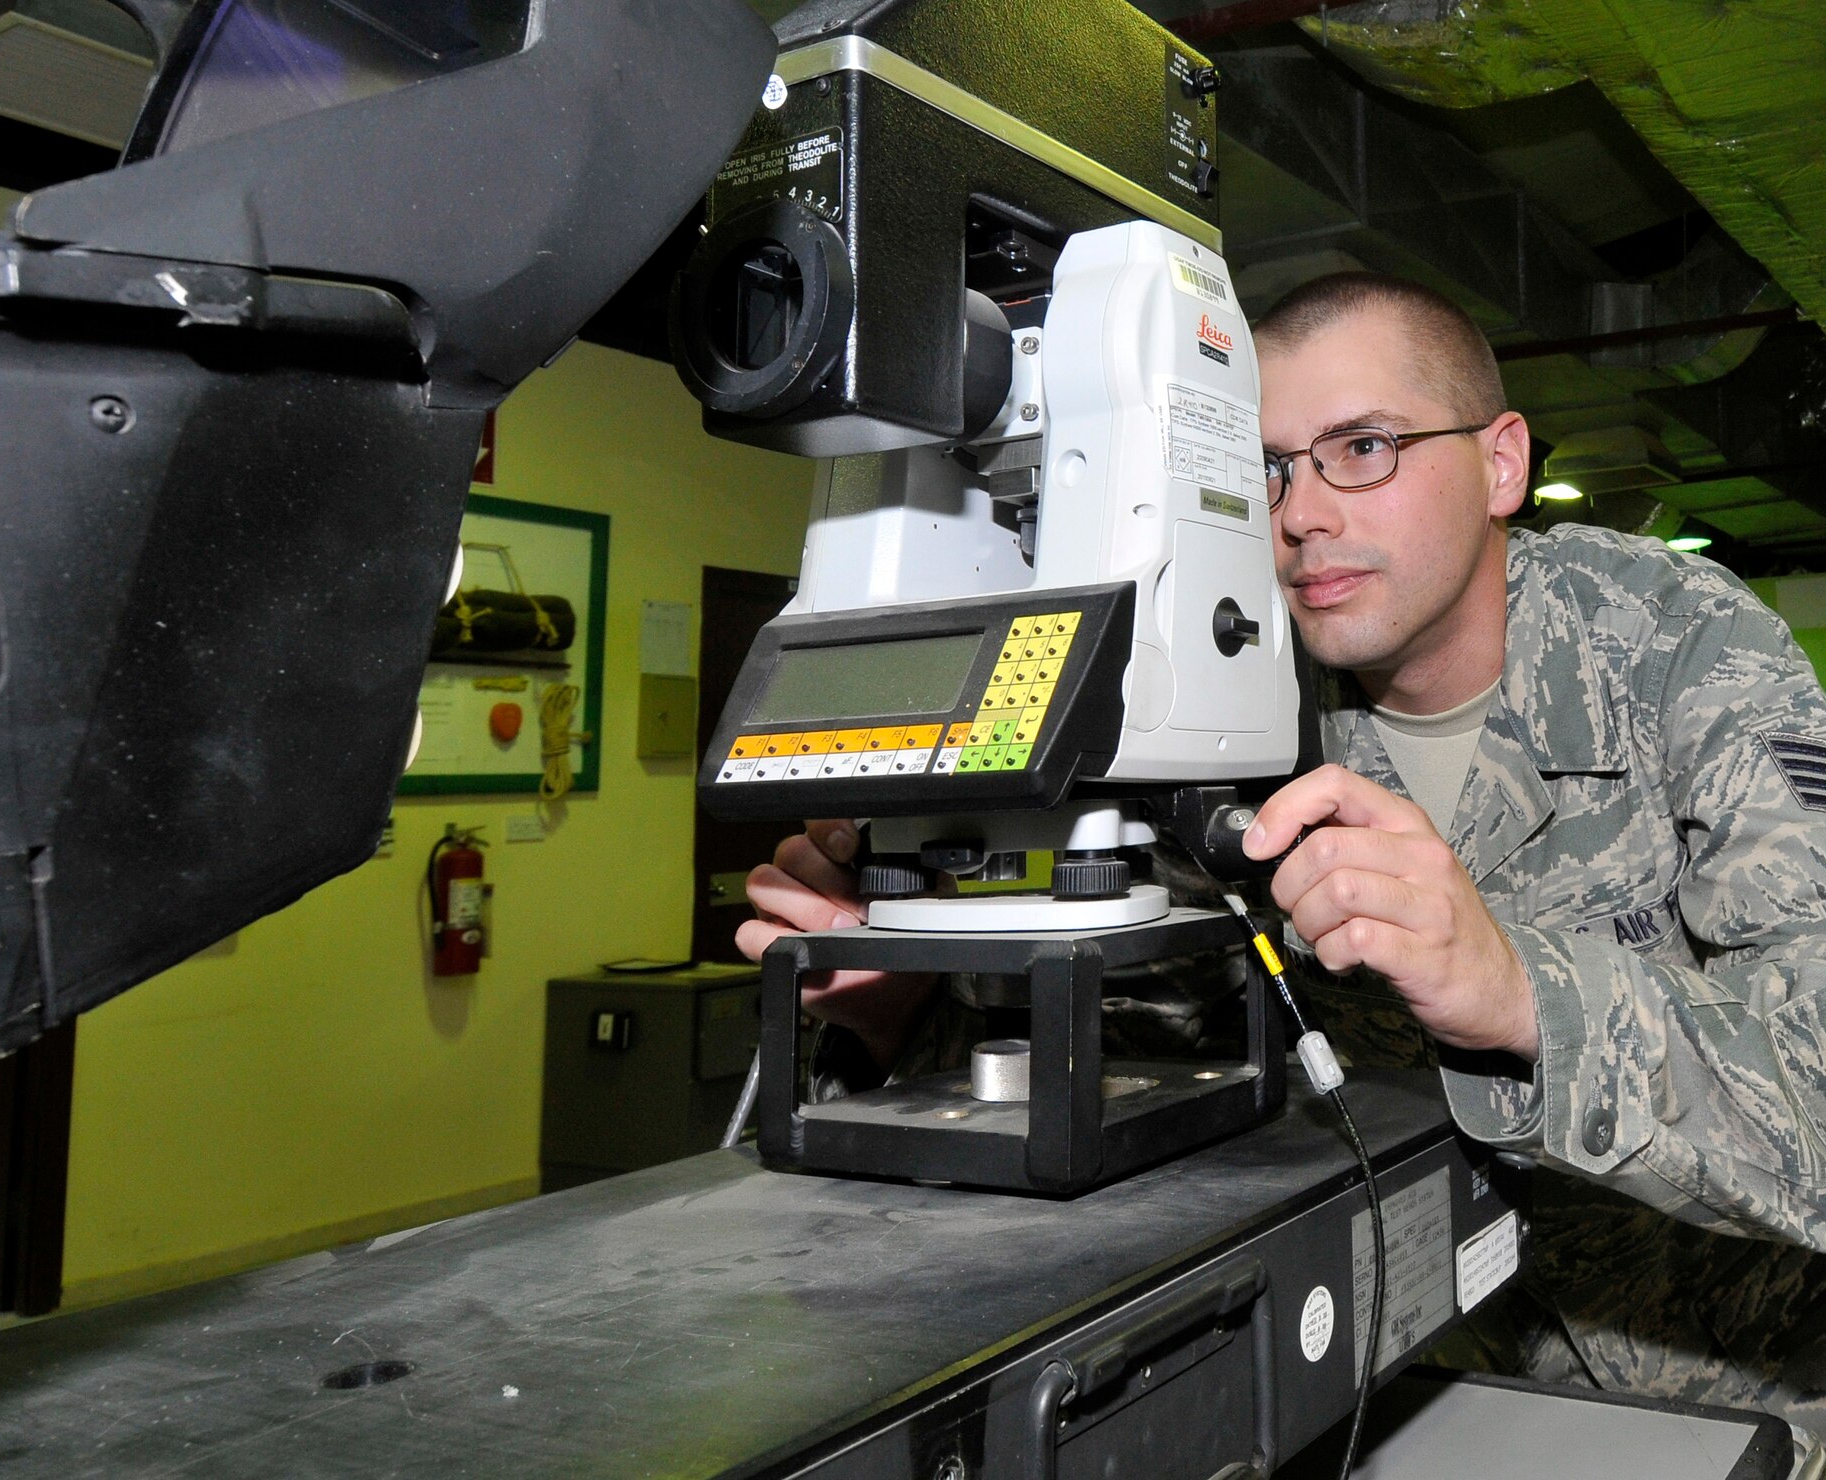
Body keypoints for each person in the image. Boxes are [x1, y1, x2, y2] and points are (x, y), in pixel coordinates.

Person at [739, 271, 1826, 1462]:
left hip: (1731, 1404)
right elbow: (1133, 1066)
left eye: (1360, 446)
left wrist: (1519, 989)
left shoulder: (1680, 649)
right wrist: (898, 1019)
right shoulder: (1214, 704)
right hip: (1396, 1395)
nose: (1299, 511)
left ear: (1500, 463)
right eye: (1263, 465)